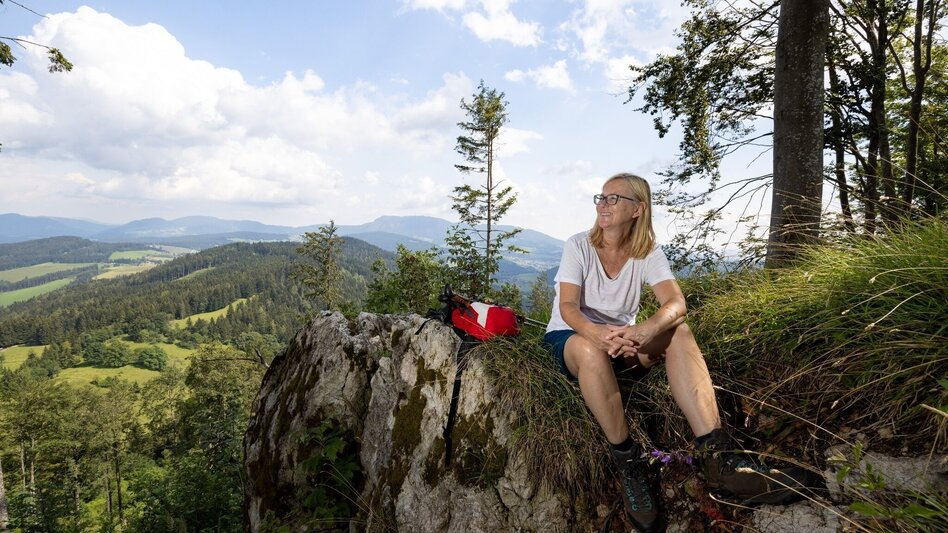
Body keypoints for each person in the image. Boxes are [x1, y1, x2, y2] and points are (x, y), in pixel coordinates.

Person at [543, 173, 813, 532]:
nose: (602, 204)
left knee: (679, 333)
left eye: (613, 199)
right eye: (601, 197)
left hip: (624, 344)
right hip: (572, 340)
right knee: (591, 353)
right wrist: (599, 335)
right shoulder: (578, 245)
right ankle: (629, 463)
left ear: (638, 209)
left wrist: (645, 329)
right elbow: (569, 308)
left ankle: (719, 459)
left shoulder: (647, 251)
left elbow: (676, 303)